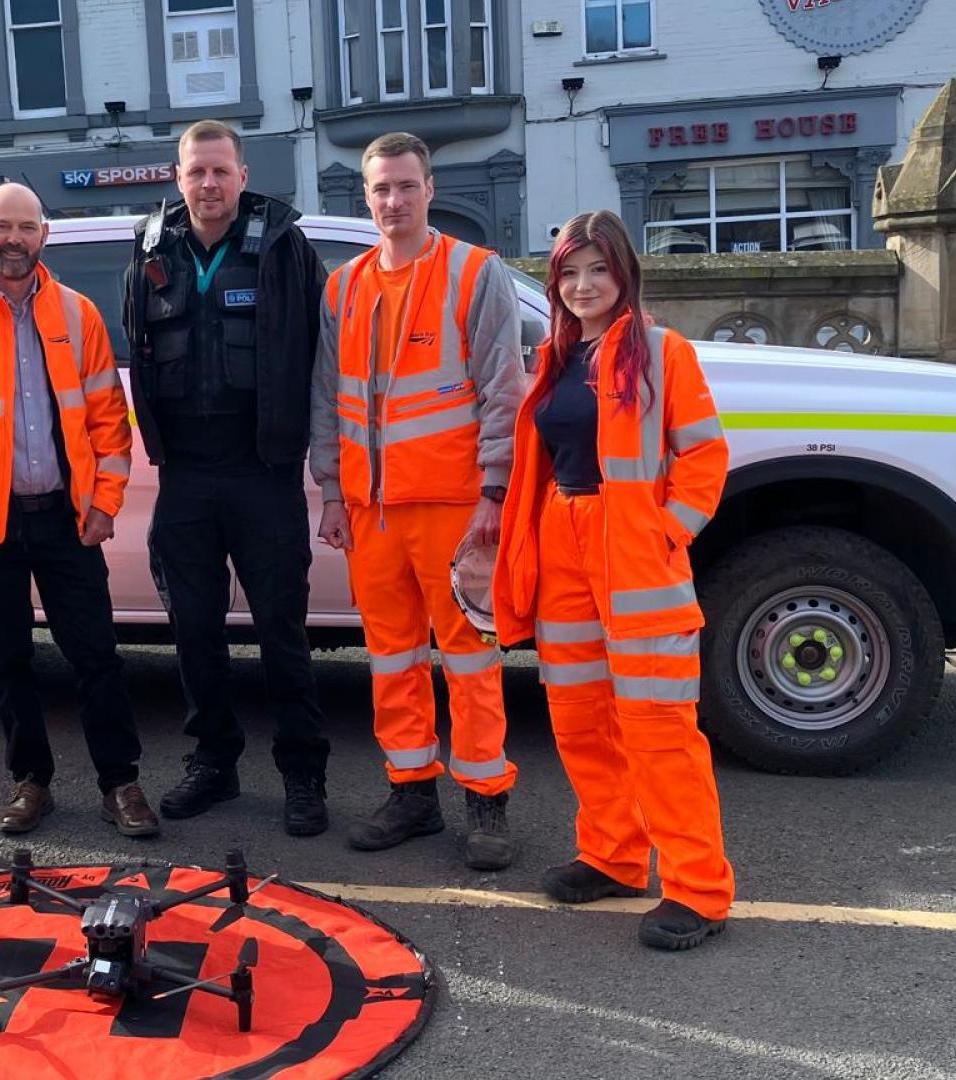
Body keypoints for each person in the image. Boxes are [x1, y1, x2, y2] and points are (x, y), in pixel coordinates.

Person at [492, 210, 734, 950]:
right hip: (563, 540)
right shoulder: (558, 356)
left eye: (598, 270)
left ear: (625, 274)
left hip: (632, 553)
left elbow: (704, 456)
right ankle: (614, 854)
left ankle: (697, 888)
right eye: (569, 272)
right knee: (580, 718)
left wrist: (667, 532)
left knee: (659, 727)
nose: (583, 284)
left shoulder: (664, 353)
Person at [0, 184, 159, 839]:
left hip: (68, 518)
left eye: (26, 227)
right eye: (2, 227)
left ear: (43, 235)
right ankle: (31, 782)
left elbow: (109, 420)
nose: (14, 239)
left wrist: (106, 501)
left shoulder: (78, 315)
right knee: (7, 659)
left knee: (96, 655)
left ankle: (120, 783)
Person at [309, 132, 526, 870]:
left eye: (406, 185)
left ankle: (486, 801)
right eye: (380, 189)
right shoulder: (344, 287)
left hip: (456, 505)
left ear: (429, 188)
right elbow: (327, 401)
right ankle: (412, 792)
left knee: (469, 655)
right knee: (392, 658)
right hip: (371, 510)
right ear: (365, 197)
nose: (393, 201)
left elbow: (504, 389)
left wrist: (495, 493)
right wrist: (333, 491)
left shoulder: (473, 272)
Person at [122, 120, 333, 836]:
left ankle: (303, 773)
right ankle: (214, 762)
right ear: (177, 178)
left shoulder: (285, 249)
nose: (208, 185)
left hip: (262, 472)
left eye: (220, 171)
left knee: (282, 629)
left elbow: (320, 359)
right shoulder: (151, 252)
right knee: (195, 632)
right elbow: (140, 356)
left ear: (243, 175)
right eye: (195, 173)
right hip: (185, 475)